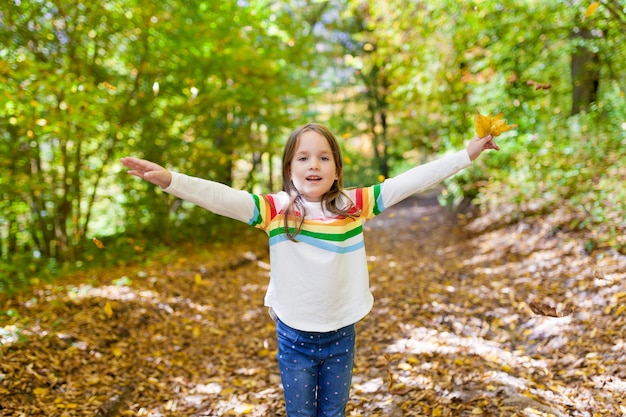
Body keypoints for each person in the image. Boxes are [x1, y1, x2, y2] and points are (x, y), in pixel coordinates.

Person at [121, 123, 499, 417]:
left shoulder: (355, 204)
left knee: (333, 412)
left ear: (336, 170)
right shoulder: (274, 209)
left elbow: (412, 180)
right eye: (303, 158)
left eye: (323, 158)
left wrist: (466, 154)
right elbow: (220, 197)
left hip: (340, 335)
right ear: (289, 168)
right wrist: (172, 181)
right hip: (293, 336)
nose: (313, 164)